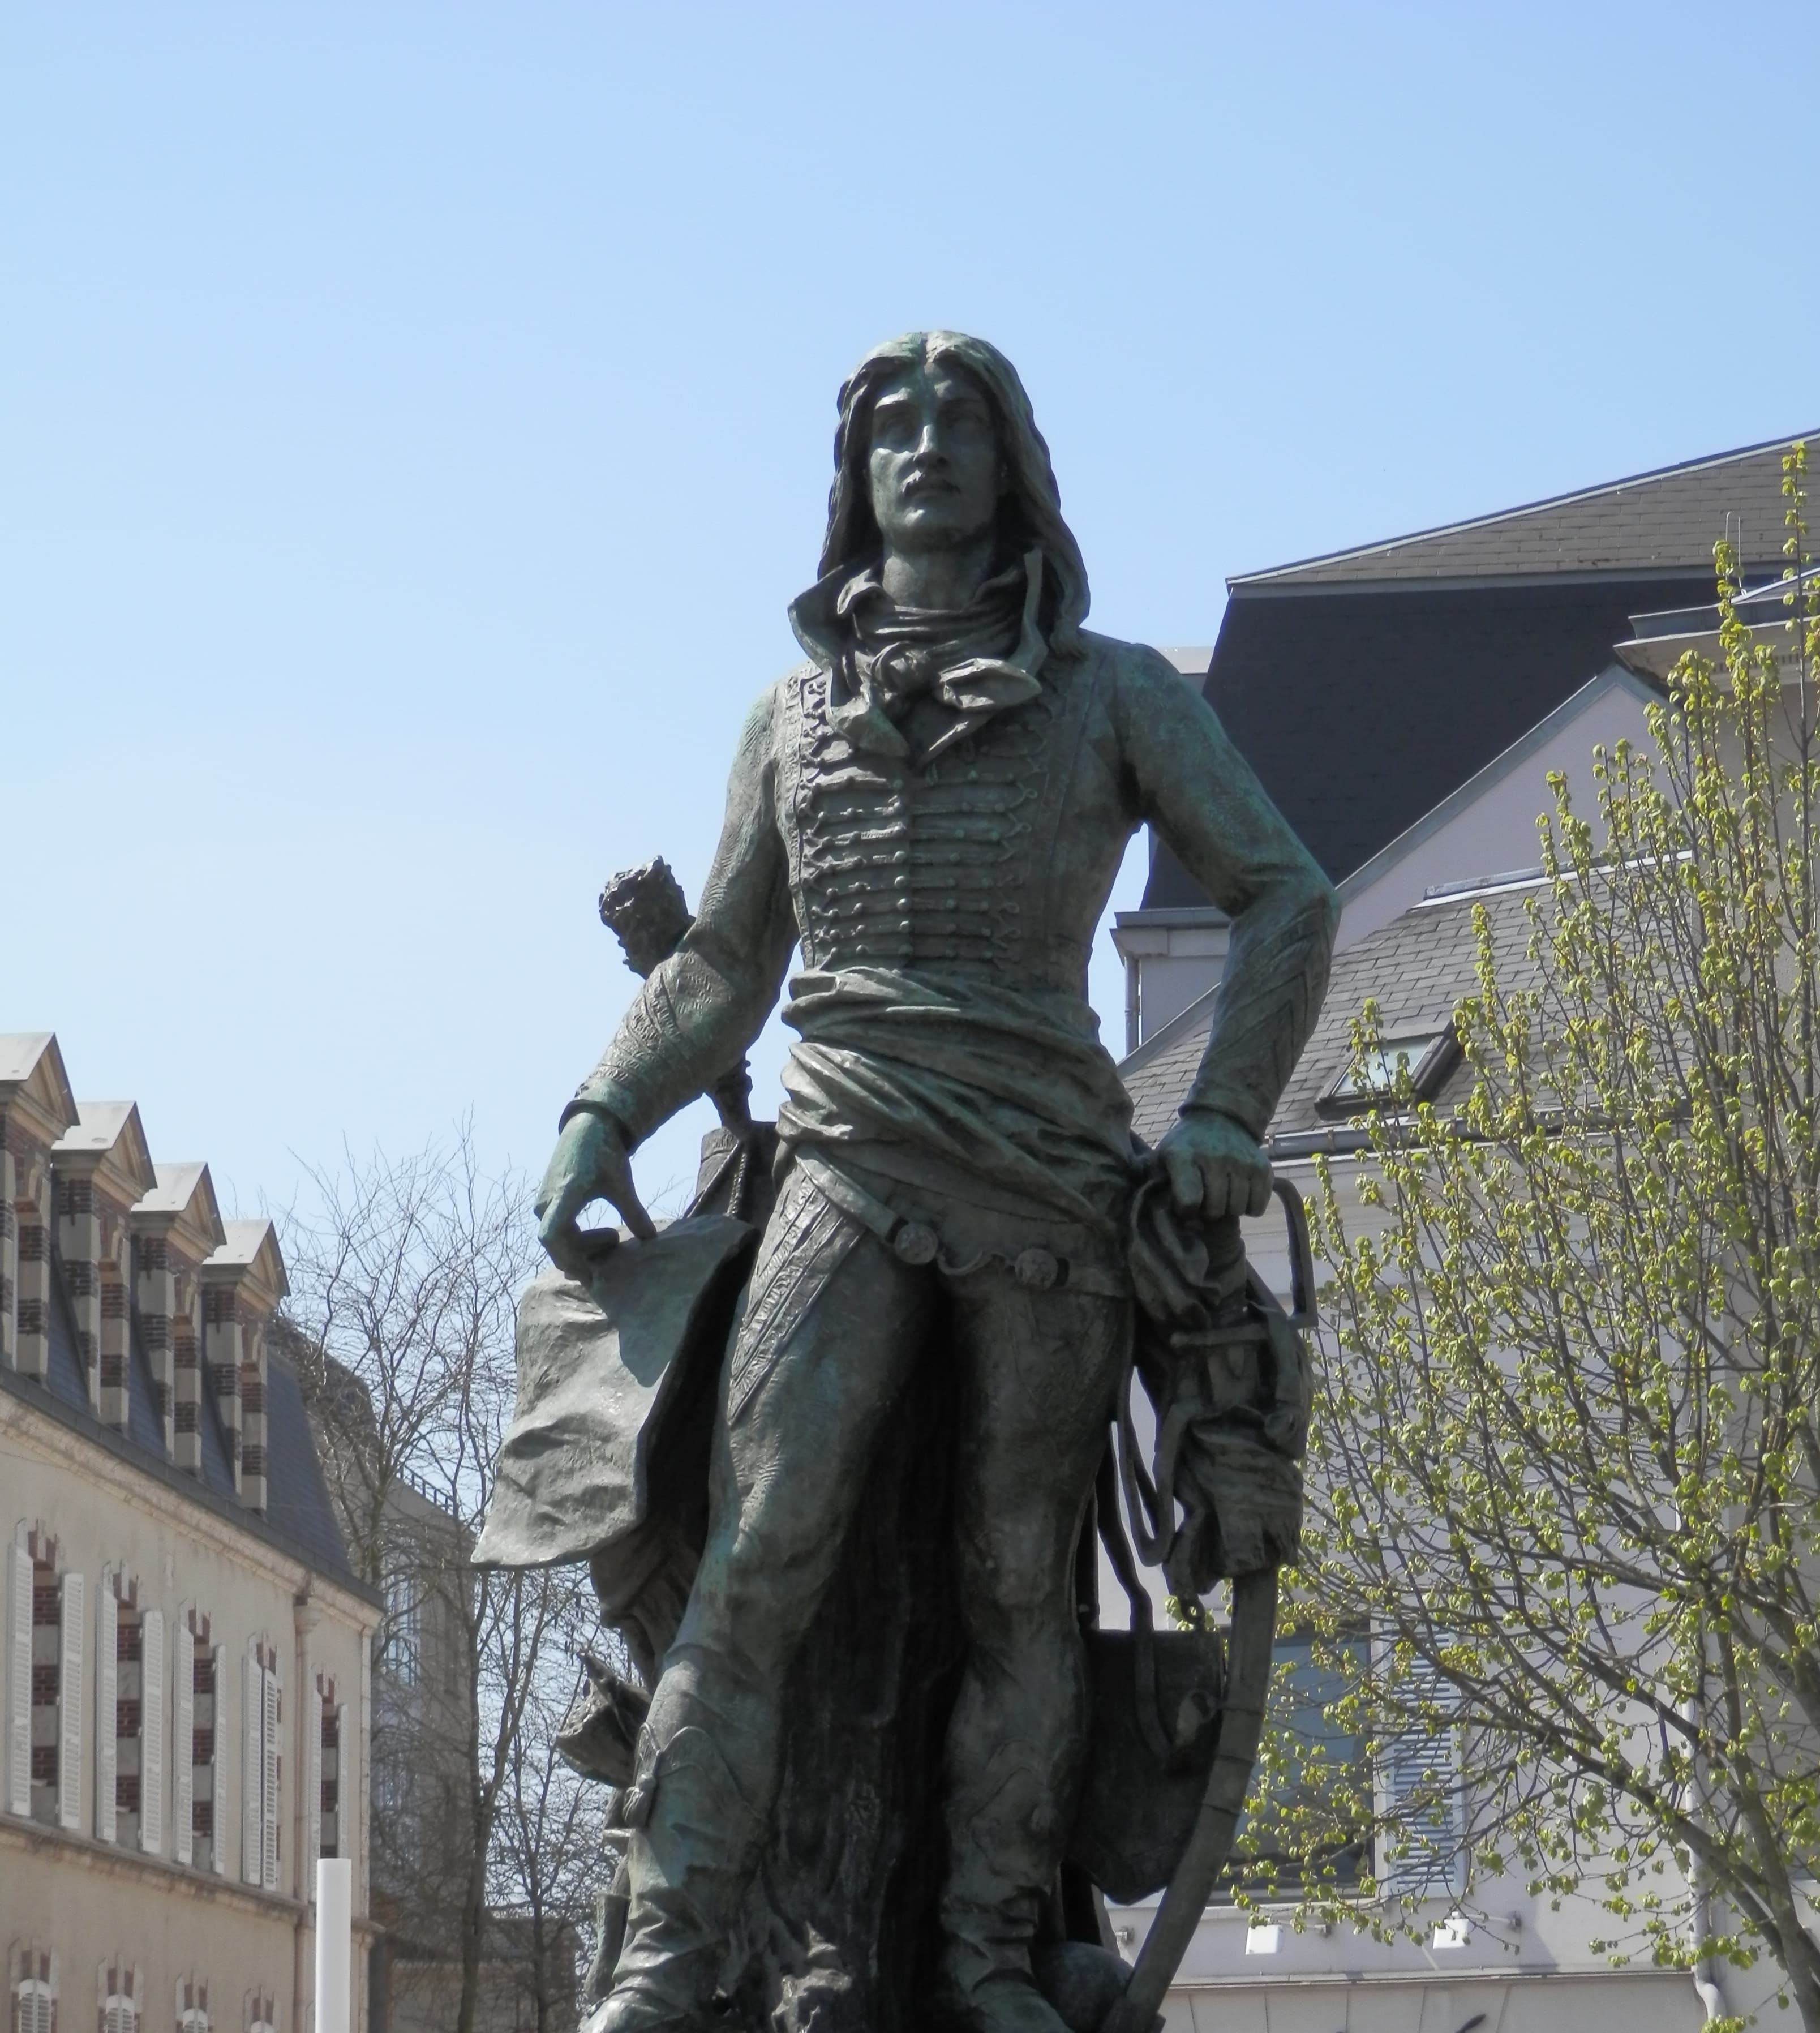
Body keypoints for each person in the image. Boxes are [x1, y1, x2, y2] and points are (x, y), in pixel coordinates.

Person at [535, 331, 1337, 2033]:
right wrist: (601, 1107)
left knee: (1013, 1576)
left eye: (957, 420)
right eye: (889, 426)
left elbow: (1290, 896)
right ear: (854, 479)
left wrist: (1224, 1117)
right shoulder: (789, 712)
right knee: (763, 1553)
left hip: (1048, 1186)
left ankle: (984, 1956)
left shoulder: (1117, 693)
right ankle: (672, 1955)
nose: (922, 448)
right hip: (845, 1153)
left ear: (1012, 461)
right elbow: (726, 965)